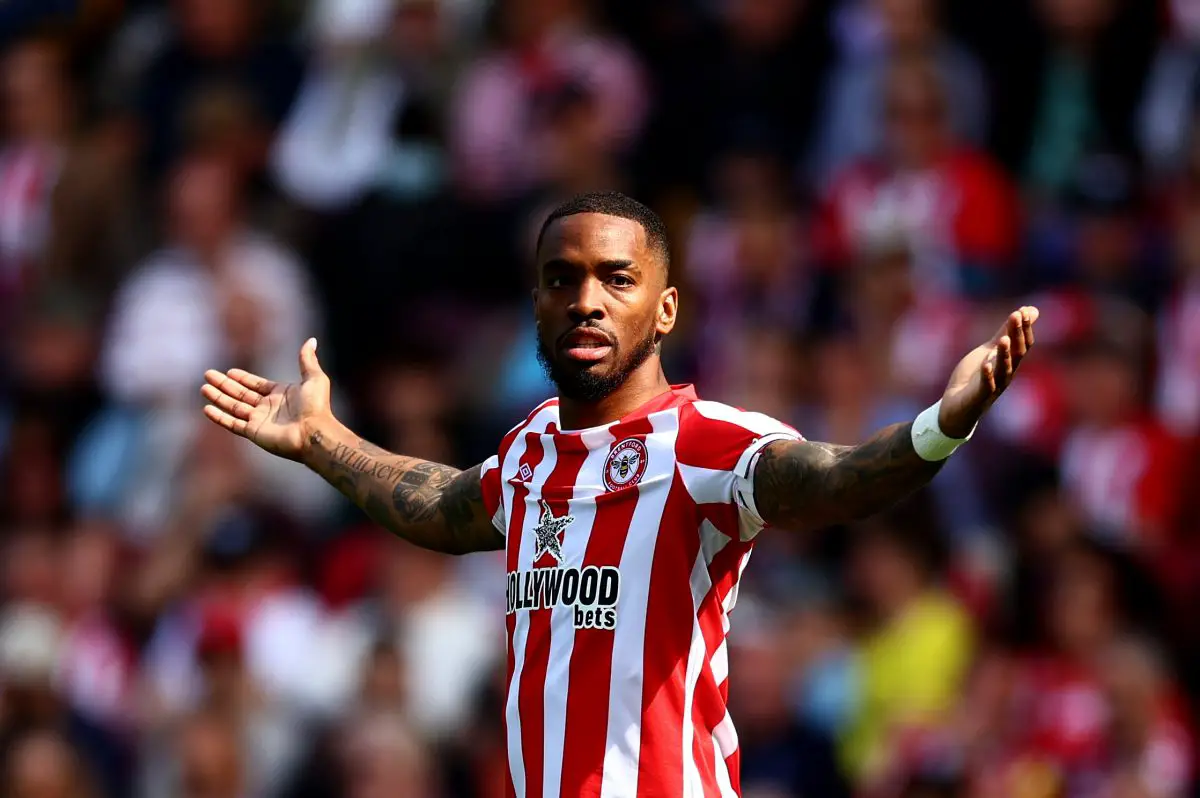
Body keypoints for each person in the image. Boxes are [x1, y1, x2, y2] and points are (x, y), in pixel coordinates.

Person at [199, 191, 1039, 796]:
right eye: (562, 279)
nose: (586, 300)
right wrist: (323, 440)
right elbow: (449, 506)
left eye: (616, 278)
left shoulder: (706, 442)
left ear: (666, 308)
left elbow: (833, 481)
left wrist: (940, 425)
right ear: (536, 302)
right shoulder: (531, 449)